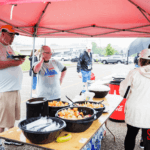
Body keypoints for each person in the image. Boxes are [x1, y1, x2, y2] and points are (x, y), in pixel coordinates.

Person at [119, 48, 150, 150]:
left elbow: (124, 93)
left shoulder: (133, 73)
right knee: (148, 140)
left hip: (134, 111)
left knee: (131, 136)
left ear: (140, 60)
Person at [0, 25, 25, 147]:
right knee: (2, 120)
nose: (13, 37)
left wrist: (18, 60)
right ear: (2, 34)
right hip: (5, 90)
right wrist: (13, 62)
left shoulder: (9, 47)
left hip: (14, 88)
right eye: (10, 35)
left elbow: (10, 61)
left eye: (14, 35)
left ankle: (9, 138)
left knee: (11, 117)